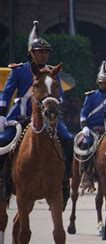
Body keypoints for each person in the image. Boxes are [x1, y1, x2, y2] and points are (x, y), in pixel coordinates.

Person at [0, 21, 73, 200]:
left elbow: (60, 94)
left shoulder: (51, 72)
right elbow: (6, 93)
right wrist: (2, 115)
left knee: (68, 138)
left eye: (46, 52)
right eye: (41, 51)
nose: (44, 55)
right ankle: (2, 181)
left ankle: (65, 179)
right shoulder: (18, 71)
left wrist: (53, 102)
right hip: (19, 116)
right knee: (2, 141)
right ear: (31, 53)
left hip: (47, 116)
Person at [78, 61, 106, 191]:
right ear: (99, 84)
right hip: (93, 129)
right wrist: (84, 127)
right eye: (103, 83)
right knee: (86, 143)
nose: (105, 85)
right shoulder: (91, 96)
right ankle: (86, 174)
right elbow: (83, 113)